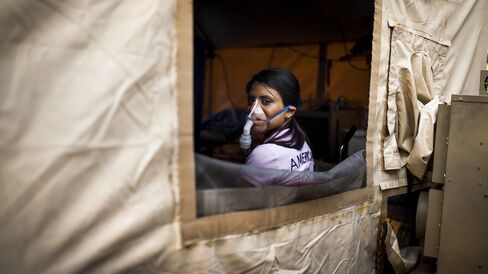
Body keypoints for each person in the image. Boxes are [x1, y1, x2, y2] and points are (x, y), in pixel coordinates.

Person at [242, 68, 314, 186]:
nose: (253, 110)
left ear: (289, 112)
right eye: (251, 100)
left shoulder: (265, 155)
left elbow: (238, 201)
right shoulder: (300, 140)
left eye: (266, 101)